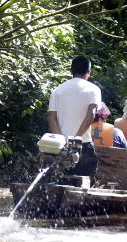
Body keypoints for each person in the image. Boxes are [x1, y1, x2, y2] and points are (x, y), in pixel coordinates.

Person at [48, 55, 101, 184]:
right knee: (86, 188)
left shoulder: (57, 90)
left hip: (60, 147)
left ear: (71, 71)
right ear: (89, 72)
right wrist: (75, 139)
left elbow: (51, 118)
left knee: (59, 185)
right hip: (83, 146)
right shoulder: (93, 89)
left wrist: (63, 141)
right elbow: (91, 115)